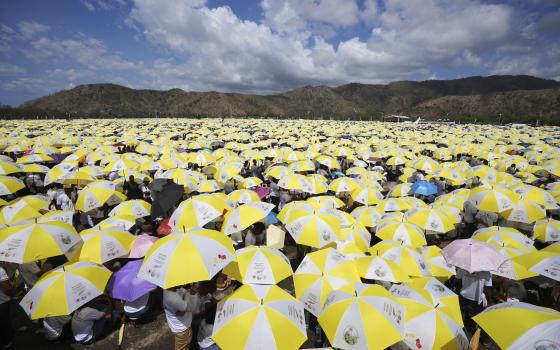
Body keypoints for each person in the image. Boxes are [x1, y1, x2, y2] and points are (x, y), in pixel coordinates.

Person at [163, 285, 202, 350]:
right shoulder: (173, 298)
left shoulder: (167, 291)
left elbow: (181, 310)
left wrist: (186, 292)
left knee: (184, 344)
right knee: (182, 347)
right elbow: (187, 308)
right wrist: (190, 294)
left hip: (177, 324)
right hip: (182, 328)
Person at [0, 263, 14, 349]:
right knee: (4, 323)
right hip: (2, 303)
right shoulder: (0, 271)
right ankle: (7, 342)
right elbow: (7, 289)